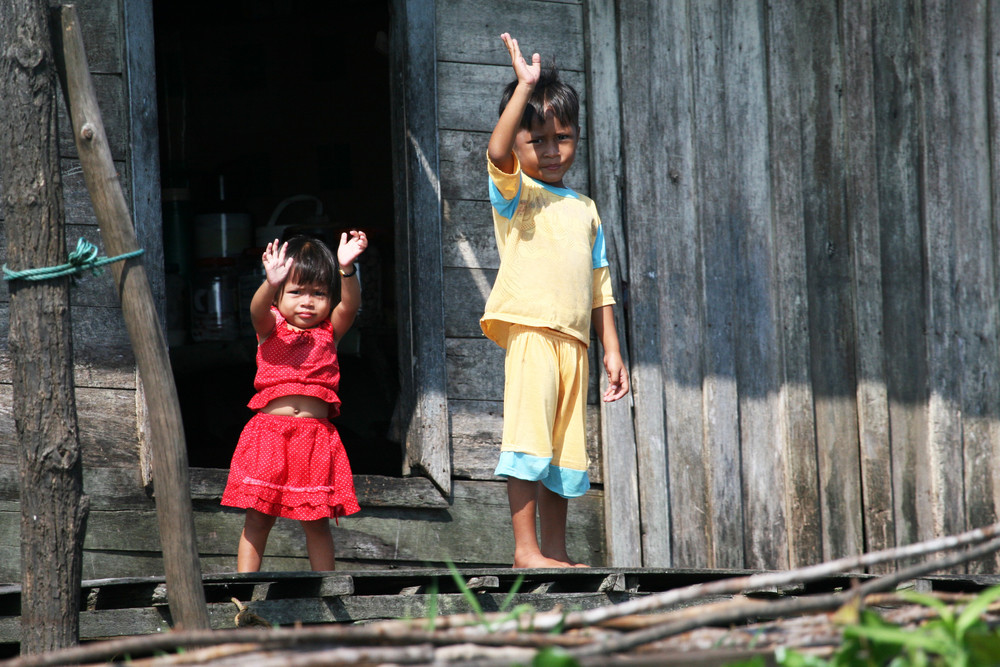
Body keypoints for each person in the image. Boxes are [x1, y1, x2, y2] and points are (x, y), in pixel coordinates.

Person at [482, 33, 630, 568]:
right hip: (530, 331)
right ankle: (525, 551)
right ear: (521, 145)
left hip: (574, 343)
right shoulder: (516, 192)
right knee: (528, 441)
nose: (550, 150)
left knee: (564, 453)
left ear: (577, 139)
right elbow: (496, 151)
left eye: (562, 138)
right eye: (537, 139)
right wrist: (524, 86)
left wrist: (611, 348)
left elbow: (600, 283)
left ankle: (557, 552)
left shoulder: (586, 208)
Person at [222, 231, 368, 571]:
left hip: (315, 440)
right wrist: (268, 283)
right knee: (258, 519)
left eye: (319, 293)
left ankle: (327, 591)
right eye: (296, 291)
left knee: (316, 521)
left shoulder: (330, 331)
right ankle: (244, 600)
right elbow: (256, 309)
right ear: (279, 296)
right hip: (269, 436)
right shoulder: (270, 326)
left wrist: (346, 269)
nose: (307, 301)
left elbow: (351, 305)